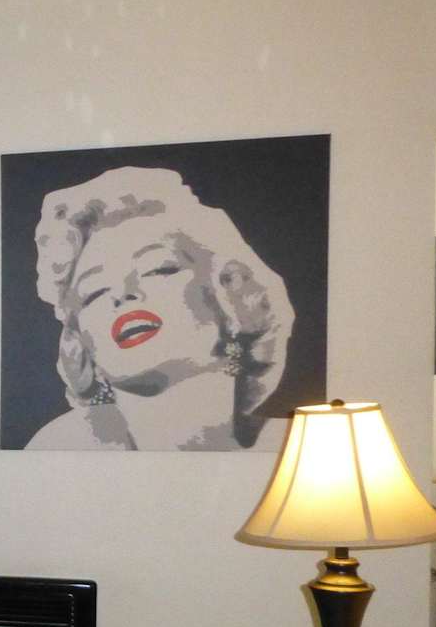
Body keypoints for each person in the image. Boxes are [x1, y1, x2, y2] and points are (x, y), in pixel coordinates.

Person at [25, 166, 294, 450]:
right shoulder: (63, 446)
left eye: (157, 269)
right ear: (81, 343)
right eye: (94, 292)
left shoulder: (294, 446)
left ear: (232, 295)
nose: (121, 294)